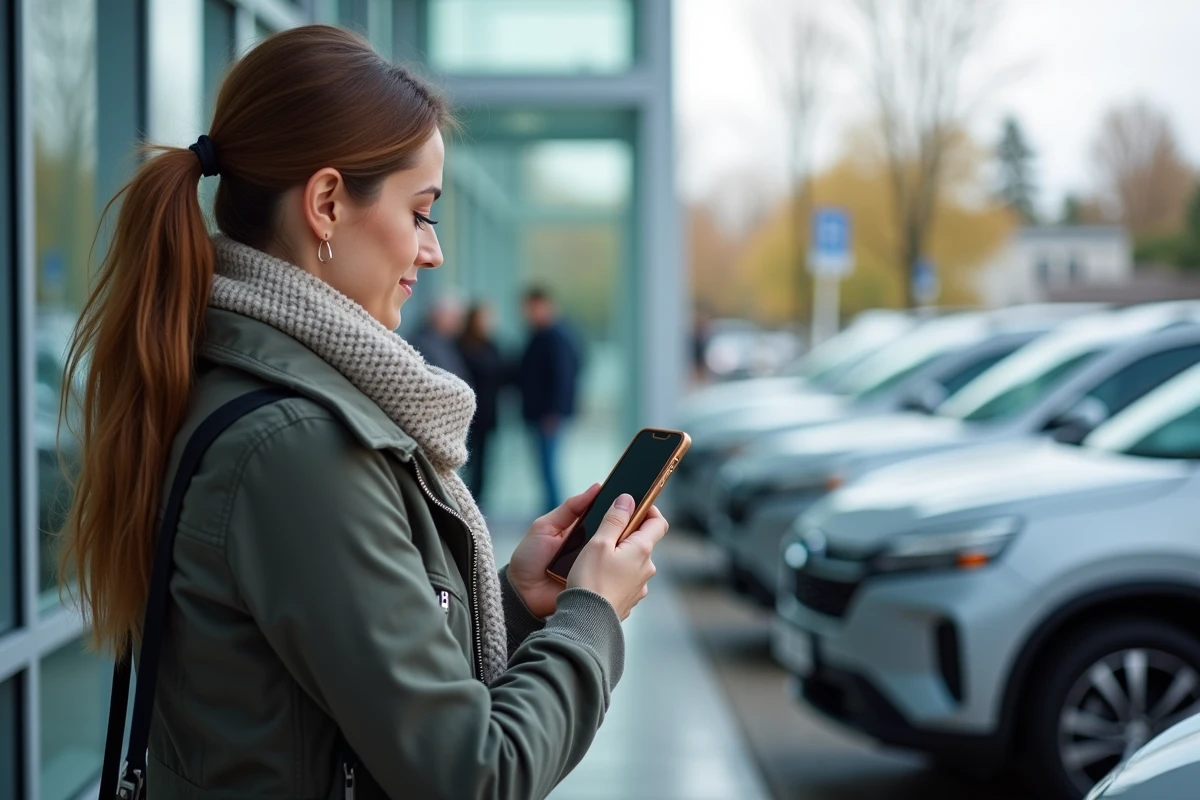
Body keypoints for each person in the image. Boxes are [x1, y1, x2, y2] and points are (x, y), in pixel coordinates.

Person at [59, 26, 667, 800]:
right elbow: (473, 775)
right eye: (421, 214)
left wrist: (514, 604)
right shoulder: (297, 446)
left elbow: (347, 696)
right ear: (326, 203)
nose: (433, 252)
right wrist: (591, 616)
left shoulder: (250, 390)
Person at [518, 287, 581, 514]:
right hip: (541, 414)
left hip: (548, 416)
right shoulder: (540, 335)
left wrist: (554, 412)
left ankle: (556, 516)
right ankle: (553, 514)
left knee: (549, 469)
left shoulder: (556, 337)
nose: (527, 313)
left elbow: (563, 377)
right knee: (545, 470)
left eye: (531, 308)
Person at [457, 302, 506, 502]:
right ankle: (464, 500)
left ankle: (477, 501)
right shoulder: (462, 345)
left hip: (488, 413)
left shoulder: (492, 345)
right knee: (466, 460)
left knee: (484, 463)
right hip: (468, 412)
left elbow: (503, 375)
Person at [410, 295, 469, 380]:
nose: (458, 323)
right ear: (438, 316)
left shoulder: (449, 342)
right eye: (453, 317)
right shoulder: (424, 344)